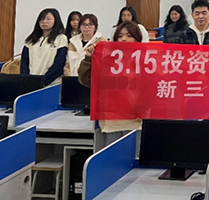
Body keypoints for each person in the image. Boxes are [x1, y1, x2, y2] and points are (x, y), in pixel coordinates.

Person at [78, 21, 143, 149]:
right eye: (120, 36)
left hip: (136, 121)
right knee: (113, 157)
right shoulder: (108, 60)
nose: (124, 39)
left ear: (137, 38)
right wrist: (89, 59)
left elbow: (152, 89)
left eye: (129, 35)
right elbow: (86, 80)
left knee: (134, 157)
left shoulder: (146, 61)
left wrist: (145, 110)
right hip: (112, 121)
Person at [20, 8, 68, 85]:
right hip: (31, 82)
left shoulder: (61, 38)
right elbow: (24, 62)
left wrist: (44, 81)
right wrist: (26, 79)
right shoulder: (31, 40)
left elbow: (59, 63)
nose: (44, 21)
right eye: (41, 19)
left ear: (56, 20)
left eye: (48, 19)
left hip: (52, 83)